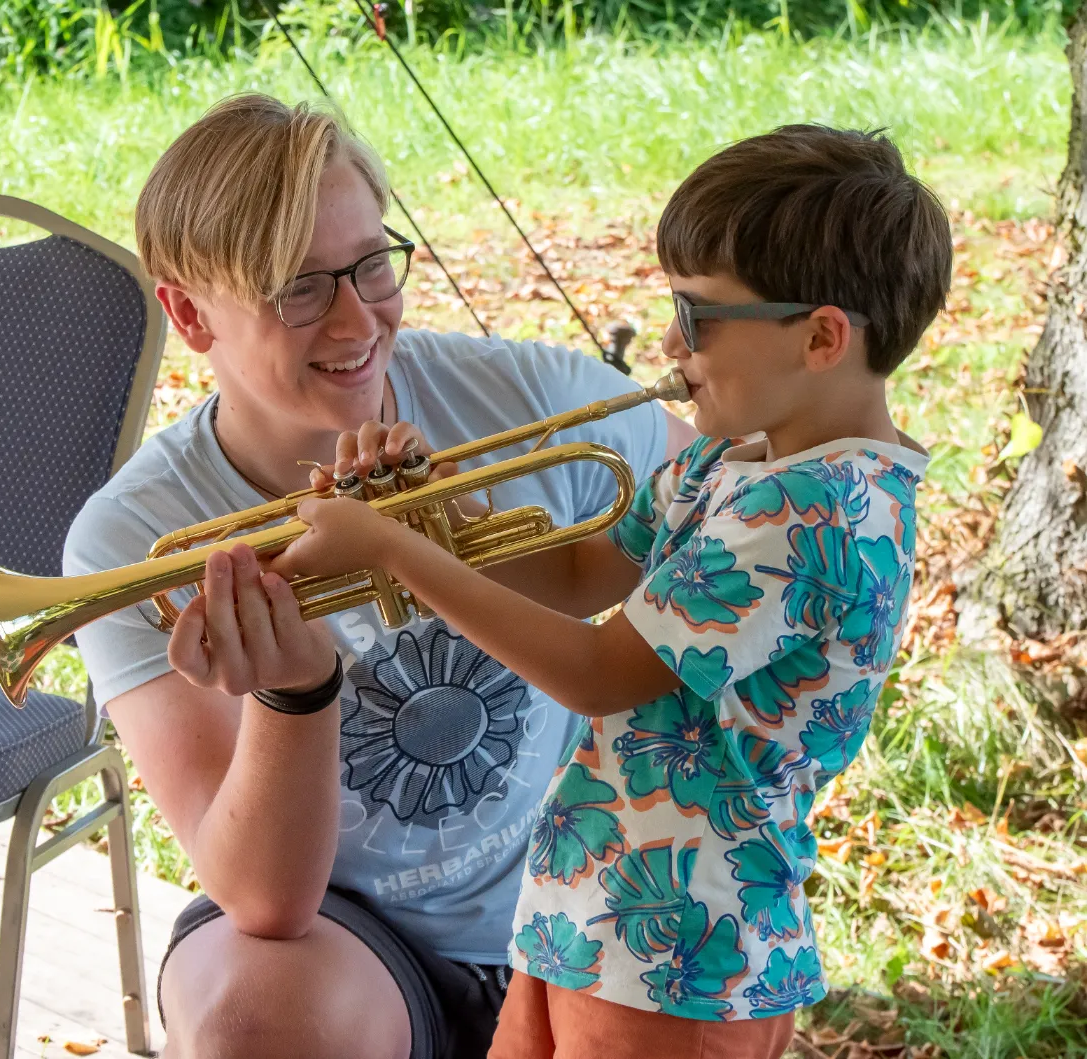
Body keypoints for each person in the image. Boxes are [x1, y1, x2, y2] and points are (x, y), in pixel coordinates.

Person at [265, 125, 952, 1059]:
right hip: (591, 915)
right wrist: (440, 520)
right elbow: (583, 576)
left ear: (823, 336)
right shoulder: (739, 457)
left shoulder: (814, 511)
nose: (670, 341)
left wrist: (394, 552)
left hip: (683, 951)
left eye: (700, 316)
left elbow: (595, 670)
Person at [63, 92, 696, 1059]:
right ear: (191, 313)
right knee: (249, 1020)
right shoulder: (133, 538)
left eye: (371, 264)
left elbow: (733, 498)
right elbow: (266, 900)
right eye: (299, 287)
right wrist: (294, 693)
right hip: (350, 945)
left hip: (589, 894)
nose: (359, 317)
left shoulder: (523, 397)